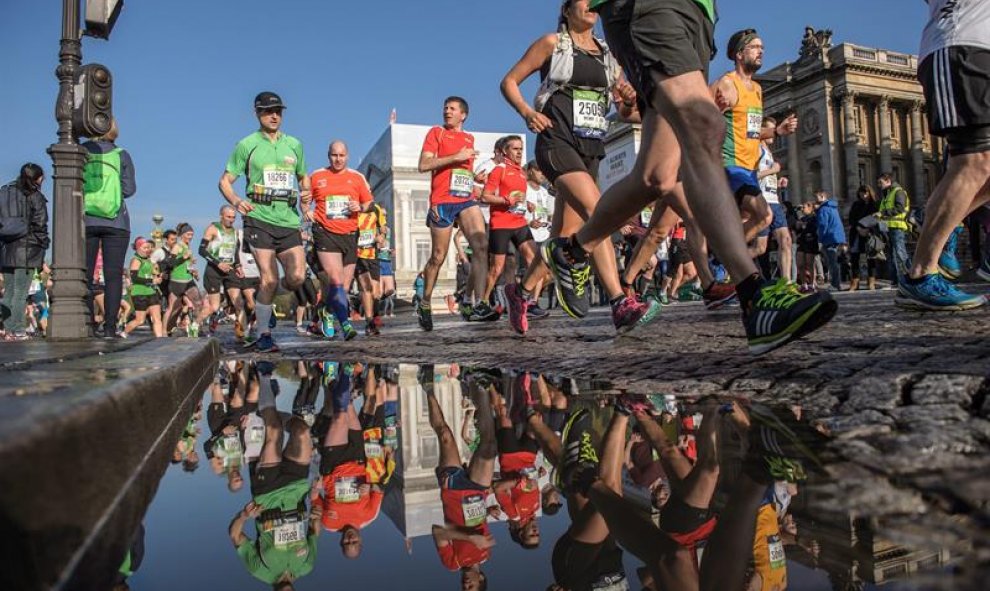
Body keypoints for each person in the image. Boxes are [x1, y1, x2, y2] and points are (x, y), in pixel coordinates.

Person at [541, 2, 836, 354]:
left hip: (697, 15)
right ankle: (753, 296)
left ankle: (572, 251)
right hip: (649, 7)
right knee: (704, 123)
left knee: (658, 175)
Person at [499, 0, 659, 337]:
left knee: (563, 237)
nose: (592, 5)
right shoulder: (552, 44)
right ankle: (620, 302)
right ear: (567, 10)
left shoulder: (606, 56)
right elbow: (509, 82)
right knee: (597, 213)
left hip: (591, 149)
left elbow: (625, 110)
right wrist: (528, 113)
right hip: (556, 142)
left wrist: (634, 101)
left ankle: (522, 292)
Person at [897, 0, 990, 310]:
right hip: (961, 45)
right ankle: (921, 275)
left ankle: (944, 224)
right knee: (975, 160)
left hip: (981, 47)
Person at [220, 91, 310, 352]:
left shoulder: (294, 144)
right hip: (259, 219)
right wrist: (237, 202)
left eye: (278, 111)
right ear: (257, 113)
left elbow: (304, 178)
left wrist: (306, 195)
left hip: (288, 220)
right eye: (268, 111)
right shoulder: (247, 145)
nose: (274, 115)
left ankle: (265, 301)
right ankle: (264, 334)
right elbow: (224, 180)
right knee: (269, 279)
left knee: (297, 277)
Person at [416, 96, 494, 331]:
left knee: (481, 245)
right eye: (445, 109)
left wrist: (474, 179)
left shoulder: (469, 138)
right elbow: (423, 165)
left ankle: (479, 303)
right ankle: (425, 302)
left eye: (452, 109)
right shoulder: (436, 133)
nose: (447, 112)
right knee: (438, 257)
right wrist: (456, 157)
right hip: (442, 201)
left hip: (465, 200)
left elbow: (460, 175)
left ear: (463, 115)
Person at [306, 140, 373, 341]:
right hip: (324, 231)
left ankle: (327, 310)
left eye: (342, 155)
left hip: (350, 234)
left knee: (343, 287)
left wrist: (359, 207)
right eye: (334, 155)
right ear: (329, 155)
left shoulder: (357, 177)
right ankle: (346, 325)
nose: (338, 159)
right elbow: (304, 198)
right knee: (334, 279)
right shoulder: (317, 176)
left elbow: (369, 202)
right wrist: (305, 211)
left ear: (347, 156)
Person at [83, 119, 135, 338]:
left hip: (86, 219)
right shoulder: (121, 154)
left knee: (84, 274)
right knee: (113, 276)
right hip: (116, 221)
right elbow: (129, 189)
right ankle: (110, 327)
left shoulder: (82, 150)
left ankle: (87, 323)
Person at [480, 136, 540, 311]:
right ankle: (482, 302)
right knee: (496, 269)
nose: (519, 152)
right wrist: (507, 200)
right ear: (505, 151)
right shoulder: (499, 170)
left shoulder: (522, 172)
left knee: (535, 261)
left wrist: (527, 203)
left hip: (519, 222)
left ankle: (528, 301)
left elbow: (518, 195)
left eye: (521, 148)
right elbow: (485, 196)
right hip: (501, 224)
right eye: (515, 149)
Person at [0, 163, 49, 341]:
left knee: (9, 292)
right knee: (21, 292)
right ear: (36, 178)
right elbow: (40, 224)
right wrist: (44, 245)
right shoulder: (35, 196)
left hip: (6, 248)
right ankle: (18, 329)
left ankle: (7, 328)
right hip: (27, 249)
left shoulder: (4, 192)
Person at [753, 117, 793, 282]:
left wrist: (777, 182)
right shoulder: (755, 150)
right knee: (760, 248)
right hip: (761, 201)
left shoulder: (768, 151)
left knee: (786, 240)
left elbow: (765, 178)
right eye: (770, 129)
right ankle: (731, 264)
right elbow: (749, 176)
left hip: (774, 201)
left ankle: (786, 283)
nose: (773, 134)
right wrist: (772, 171)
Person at [200, 205, 241, 335]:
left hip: (229, 269)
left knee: (238, 303)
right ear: (221, 216)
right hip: (214, 270)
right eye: (228, 217)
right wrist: (218, 264)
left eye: (233, 217)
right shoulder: (213, 229)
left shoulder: (235, 232)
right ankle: (195, 323)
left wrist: (238, 266)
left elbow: (235, 252)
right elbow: (201, 250)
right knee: (214, 306)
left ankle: (243, 333)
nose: (231, 220)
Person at [875, 173, 912, 288]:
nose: (879, 185)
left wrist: (882, 213)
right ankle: (896, 281)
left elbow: (900, 208)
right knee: (892, 255)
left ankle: (911, 278)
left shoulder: (898, 191)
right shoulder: (887, 194)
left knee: (901, 253)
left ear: (888, 181)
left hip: (897, 226)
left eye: (880, 182)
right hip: (888, 227)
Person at [355, 202, 387, 335]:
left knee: (376, 293)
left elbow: (383, 229)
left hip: (372, 254)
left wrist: (381, 237)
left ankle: (369, 313)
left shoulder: (376, 208)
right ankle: (369, 323)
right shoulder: (353, 208)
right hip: (357, 255)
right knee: (366, 288)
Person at [123, 237, 164, 338]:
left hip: (151, 292)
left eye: (149, 248)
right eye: (145, 248)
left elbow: (153, 275)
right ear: (138, 248)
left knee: (157, 318)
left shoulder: (150, 261)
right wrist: (151, 281)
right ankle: (123, 333)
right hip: (139, 293)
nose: (148, 250)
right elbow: (134, 278)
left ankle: (160, 339)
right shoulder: (136, 260)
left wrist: (158, 278)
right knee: (140, 320)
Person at [847, 185, 879, 291]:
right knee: (854, 257)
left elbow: (877, 220)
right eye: (861, 193)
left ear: (870, 193)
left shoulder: (874, 204)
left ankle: (871, 281)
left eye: (865, 193)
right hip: (856, 233)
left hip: (870, 234)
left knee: (871, 258)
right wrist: (858, 228)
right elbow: (851, 218)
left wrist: (868, 230)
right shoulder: (856, 204)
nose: (863, 195)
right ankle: (855, 282)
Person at [814, 191, 847, 290]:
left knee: (832, 262)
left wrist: (820, 238)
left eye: (817, 197)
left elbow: (823, 225)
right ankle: (836, 282)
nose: (815, 200)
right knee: (834, 261)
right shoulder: (833, 208)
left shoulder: (823, 209)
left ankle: (835, 284)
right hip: (836, 236)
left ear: (822, 196)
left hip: (829, 237)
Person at [795, 200, 820, 292]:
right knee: (800, 264)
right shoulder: (801, 219)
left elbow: (814, 229)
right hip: (801, 242)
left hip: (811, 242)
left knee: (810, 264)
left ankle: (812, 283)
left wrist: (804, 226)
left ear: (810, 208)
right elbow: (797, 230)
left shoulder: (814, 218)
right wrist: (798, 226)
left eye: (804, 207)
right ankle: (803, 283)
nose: (802, 209)